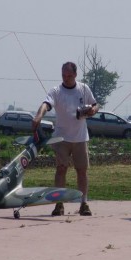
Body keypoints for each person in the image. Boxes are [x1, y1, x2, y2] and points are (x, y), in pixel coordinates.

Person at [32, 61, 99, 216]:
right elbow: (45, 104)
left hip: (80, 138)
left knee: (81, 171)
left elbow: (95, 104)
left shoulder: (83, 89)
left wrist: (92, 110)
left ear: (75, 75)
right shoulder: (56, 91)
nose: (66, 78)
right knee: (61, 169)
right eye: (63, 75)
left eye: (69, 75)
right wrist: (38, 117)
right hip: (61, 138)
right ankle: (59, 204)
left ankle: (84, 203)